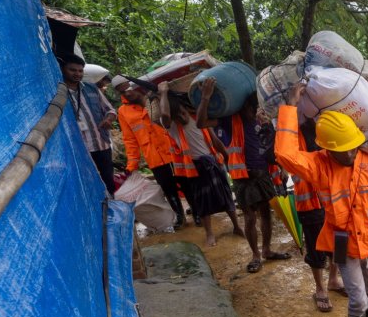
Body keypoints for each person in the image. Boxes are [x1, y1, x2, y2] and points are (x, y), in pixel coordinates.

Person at [275, 84, 368, 317]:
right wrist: (289, 108)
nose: (351, 154)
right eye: (343, 150)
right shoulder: (318, 165)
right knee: (358, 298)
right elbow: (286, 155)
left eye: (353, 146)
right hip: (343, 242)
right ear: (328, 149)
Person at [199, 77, 291, 273]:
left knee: (266, 213)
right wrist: (206, 98)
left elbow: (273, 146)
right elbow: (200, 122)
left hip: (263, 174)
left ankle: (266, 250)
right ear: (242, 107)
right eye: (251, 108)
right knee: (250, 217)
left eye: (257, 107)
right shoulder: (228, 119)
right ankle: (256, 255)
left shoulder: (261, 119)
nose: (255, 111)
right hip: (243, 177)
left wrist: (282, 167)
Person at [155, 80, 244, 247]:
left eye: (183, 112)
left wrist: (226, 158)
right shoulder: (171, 126)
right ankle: (209, 233)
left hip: (213, 163)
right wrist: (164, 92)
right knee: (202, 202)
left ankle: (237, 226)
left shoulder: (197, 117)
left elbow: (215, 140)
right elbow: (165, 115)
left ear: (185, 108)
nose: (182, 116)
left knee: (226, 196)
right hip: (196, 168)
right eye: (178, 115)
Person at [114, 76, 187, 228]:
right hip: (154, 156)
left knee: (186, 182)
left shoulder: (154, 97)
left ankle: (198, 211)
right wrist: (132, 164)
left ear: (133, 85)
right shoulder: (123, 112)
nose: (127, 94)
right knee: (168, 188)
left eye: (127, 89)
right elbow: (129, 139)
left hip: (173, 150)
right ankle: (179, 215)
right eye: (122, 92)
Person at [293, 112, 342, 312]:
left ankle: (333, 279)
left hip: (333, 199)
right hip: (310, 202)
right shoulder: (290, 132)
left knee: (338, 244)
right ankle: (320, 288)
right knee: (315, 247)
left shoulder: (324, 126)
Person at [59, 53, 117, 194]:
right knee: (87, 183)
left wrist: (108, 119)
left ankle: (112, 208)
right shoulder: (58, 92)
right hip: (79, 148)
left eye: (80, 70)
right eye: (73, 70)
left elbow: (110, 110)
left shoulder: (91, 88)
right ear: (62, 70)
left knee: (108, 180)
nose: (77, 74)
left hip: (101, 144)